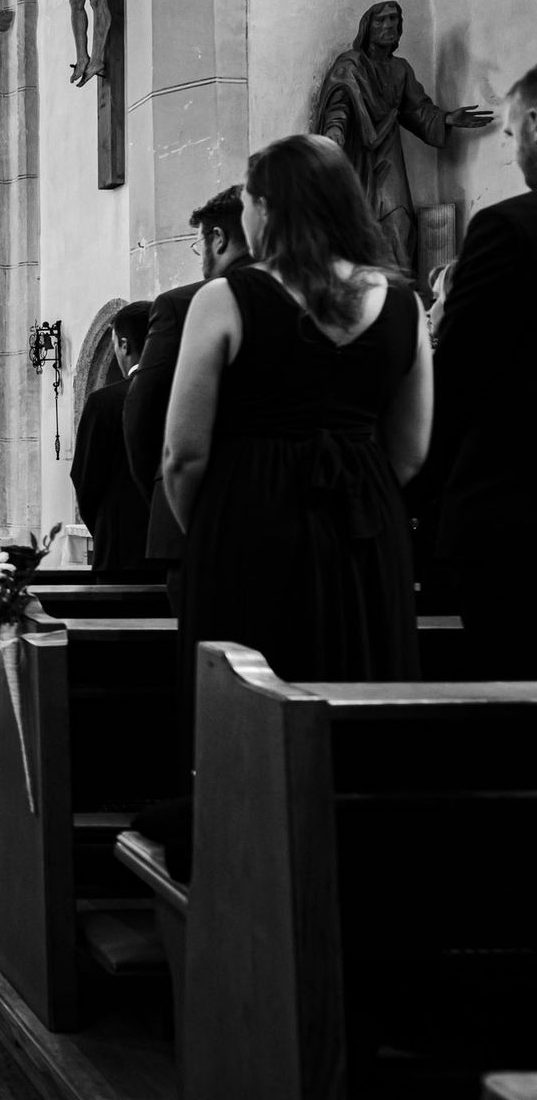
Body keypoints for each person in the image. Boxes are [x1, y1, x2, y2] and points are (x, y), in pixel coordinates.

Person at [164, 132, 430, 724]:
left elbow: (182, 455)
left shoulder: (224, 299)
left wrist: (212, 529)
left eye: (251, 200)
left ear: (270, 209)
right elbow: (410, 451)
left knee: (247, 719)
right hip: (366, 530)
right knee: (364, 710)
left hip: (247, 525)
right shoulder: (404, 304)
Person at [426, 62, 537, 676]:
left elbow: (461, 379)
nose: (513, 148)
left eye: (514, 133)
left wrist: (415, 493)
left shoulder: (510, 230)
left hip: (514, 520)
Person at [123, 186, 251, 612]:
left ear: (218, 238)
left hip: (193, 520)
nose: (201, 257)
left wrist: (163, 493)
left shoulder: (182, 304)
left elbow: (144, 414)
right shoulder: (319, 298)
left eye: (200, 243)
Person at [313, 1, 493, 275]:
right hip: (354, 155)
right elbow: (338, 105)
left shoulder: (401, 69)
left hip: (387, 150)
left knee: (399, 219)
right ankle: (358, 285)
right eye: (381, 20)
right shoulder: (350, 65)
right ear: (367, 27)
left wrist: (446, 118)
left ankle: (399, 286)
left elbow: (416, 110)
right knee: (353, 219)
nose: (388, 26)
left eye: (393, 20)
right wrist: (333, 137)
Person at [70, 301, 153, 574]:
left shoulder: (103, 403)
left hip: (119, 547)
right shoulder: (188, 396)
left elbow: (84, 479)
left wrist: (106, 528)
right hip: (175, 550)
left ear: (125, 345)